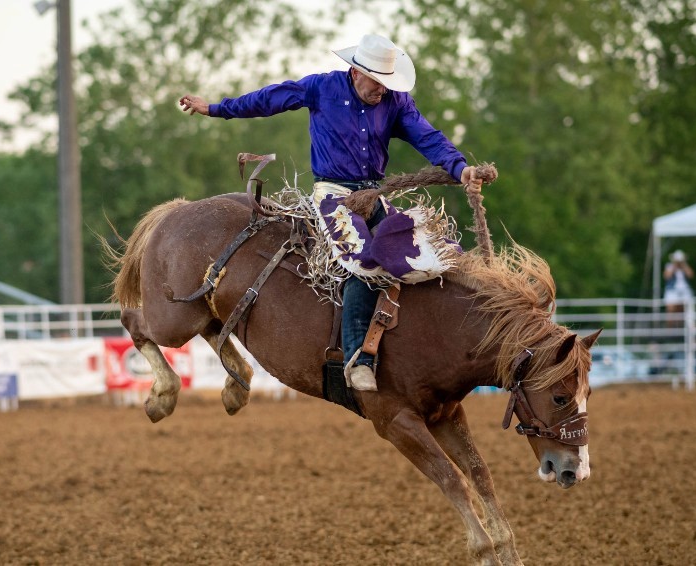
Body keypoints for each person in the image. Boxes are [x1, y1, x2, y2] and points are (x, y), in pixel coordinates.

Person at [178, 33, 477, 392]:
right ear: (355, 71)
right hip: (333, 195)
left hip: (373, 195)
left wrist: (460, 169)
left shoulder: (397, 102)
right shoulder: (321, 88)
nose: (382, 90)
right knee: (364, 261)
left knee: (432, 251)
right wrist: (214, 108)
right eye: (377, 82)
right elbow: (268, 99)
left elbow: (427, 137)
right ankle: (358, 360)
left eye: (387, 83)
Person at [662, 250, 694, 327]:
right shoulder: (669, 266)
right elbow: (666, 276)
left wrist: (684, 266)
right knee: (670, 309)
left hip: (684, 291)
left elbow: (691, 275)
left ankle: (683, 329)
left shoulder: (685, 266)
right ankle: (669, 330)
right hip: (672, 291)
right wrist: (674, 266)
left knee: (684, 309)